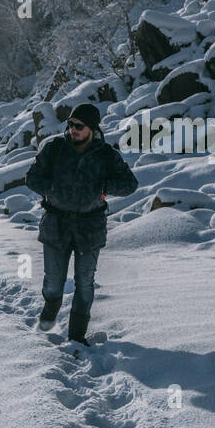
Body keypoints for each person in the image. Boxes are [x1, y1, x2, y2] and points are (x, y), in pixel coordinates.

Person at [24, 102, 138, 345]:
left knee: (85, 283)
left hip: (90, 227)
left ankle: (76, 336)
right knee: (53, 282)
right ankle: (49, 314)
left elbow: (130, 184)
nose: (72, 129)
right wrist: (52, 190)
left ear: (92, 128)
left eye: (78, 125)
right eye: (70, 124)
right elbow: (32, 177)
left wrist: (105, 187)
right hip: (56, 224)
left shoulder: (106, 155)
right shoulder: (55, 148)